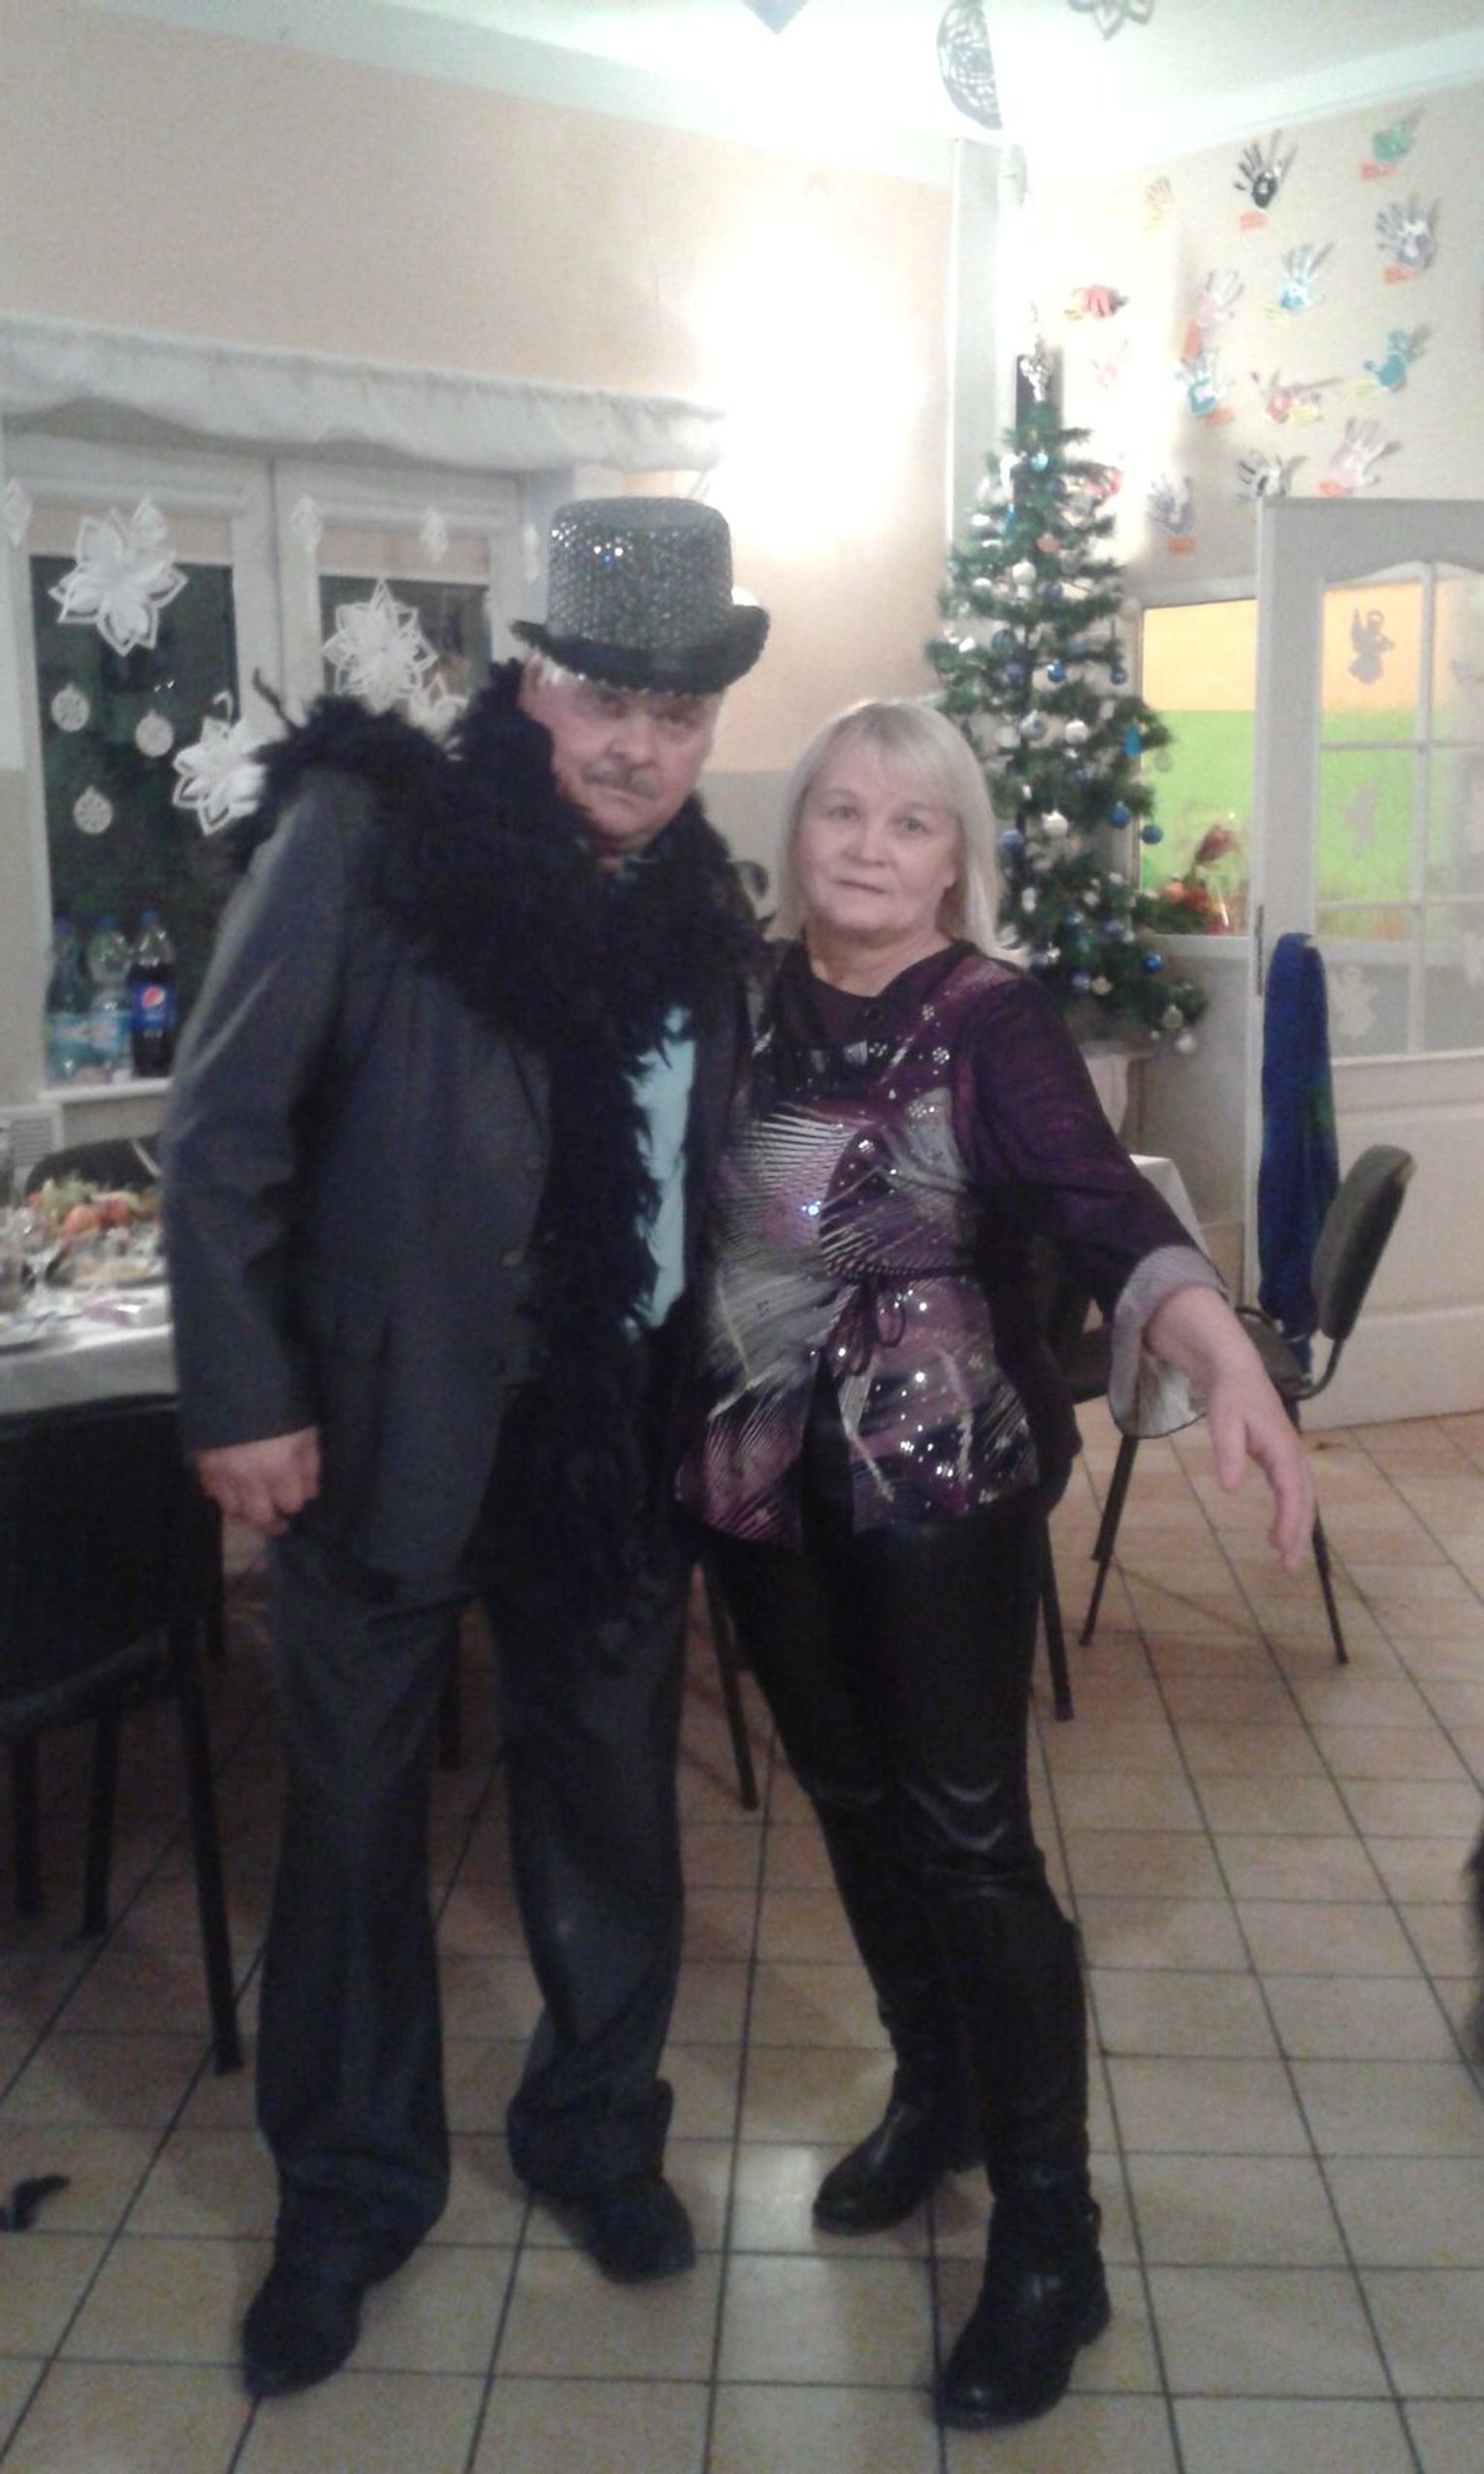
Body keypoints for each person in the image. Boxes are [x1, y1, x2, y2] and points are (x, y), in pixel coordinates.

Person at [161, 497, 768, 2397]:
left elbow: (711, 1170)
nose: (640, 747)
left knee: (613, 1807)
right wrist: (242, 1391)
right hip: (382, 1422)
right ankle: (347, 2199)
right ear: (530, 676)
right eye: (607, 698)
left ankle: (594, 2134)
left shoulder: (701, 903)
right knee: (350, 1826)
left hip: (607, 1429)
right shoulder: (375, 836)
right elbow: (221, 1133)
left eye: (679, 712)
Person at [678, 699, 1313, 2432]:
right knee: (845, 1794)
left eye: (910, 821)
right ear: (797, 827)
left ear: (957, 855)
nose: (868, 846)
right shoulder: (738, 992)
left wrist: (1224, 1354)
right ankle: (935, 2091)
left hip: (933, 1478)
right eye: (841, 810)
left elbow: (1104, 1204)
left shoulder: (987, 1017)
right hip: (755, 1468)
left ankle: (1051, 2234)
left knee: (967, 1837)